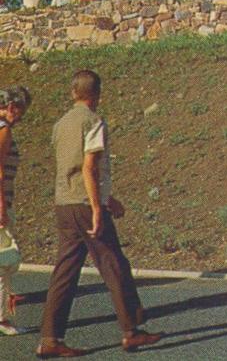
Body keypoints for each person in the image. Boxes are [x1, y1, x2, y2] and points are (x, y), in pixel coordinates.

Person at [37, 70, 162, 358]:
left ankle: (49, 338)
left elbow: (70, 168)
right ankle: (132, 332)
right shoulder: (94, 122)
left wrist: (109, 199)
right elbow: (88, 167)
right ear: (97, 95)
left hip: (64, 204)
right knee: (114, 264)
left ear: (73, 93)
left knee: (64, 272)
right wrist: (97, 207)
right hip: (85, 204)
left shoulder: (60, 125)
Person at [0, 86, 30, 336]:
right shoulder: (4, 129)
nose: (21, 118)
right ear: (12, 107)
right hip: (0, 201)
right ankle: (2, 318)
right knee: (4, 261)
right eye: (21, 112)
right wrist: (1, 205)